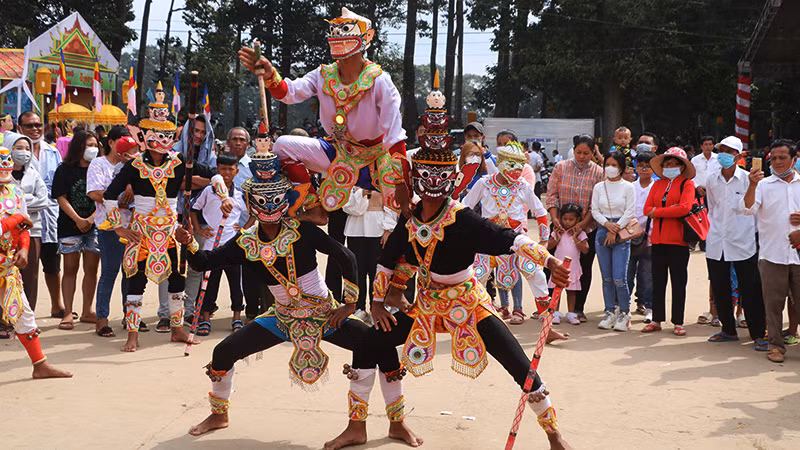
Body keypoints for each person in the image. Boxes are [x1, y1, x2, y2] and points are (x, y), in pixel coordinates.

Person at [370, 83, 571, 450]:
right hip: (427, 303)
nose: (432, 185)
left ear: (452, 180)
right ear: (415, 178)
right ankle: (394, 422)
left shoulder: (462, 219)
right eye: (424, 178)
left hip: (468, 301)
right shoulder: (410, 219)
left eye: (440, 178)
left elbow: (507, 237)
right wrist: (378, 303)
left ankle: (554, 435)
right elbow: (388, 259)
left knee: (518, 363)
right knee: (373, 341)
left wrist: (550, 259)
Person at [179, 153, 419, 449]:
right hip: (281, 317)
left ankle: (396, 422)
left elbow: (346, 256)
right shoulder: (245, 242)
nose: (269, 207)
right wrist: (188, 241)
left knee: (379, 346)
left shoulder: (302, 231)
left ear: (286, 200)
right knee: (224, 351)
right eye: (262, 201)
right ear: (252, 203)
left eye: (275, 199)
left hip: (323, 314)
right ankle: (218, 415)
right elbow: (203, 261)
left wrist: (349, 304)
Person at [238, 8, 412, 224]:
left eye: (346, 29)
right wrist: (271, 75)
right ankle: (314, 207)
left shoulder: (379, 81)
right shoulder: (323, 74)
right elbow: (289, 92)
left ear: (367, 37)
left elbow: (394, 137)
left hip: (375, 159)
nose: (338, 35)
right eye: (334, 29)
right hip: (337, 150)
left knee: (407, 209)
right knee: (282, 145)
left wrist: (402, 184)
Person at [102, 116, 218, 352]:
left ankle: (177, 330)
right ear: (144, 138)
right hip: (141, 232)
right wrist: (119, 227)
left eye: (168, 136)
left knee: (177, 281)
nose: (164, 140)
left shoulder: (179, 161)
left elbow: (213, 173)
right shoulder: (134, 165)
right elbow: (109, 195)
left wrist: (222, 192)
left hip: (170, 232)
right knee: (135, 283)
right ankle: (132, 335)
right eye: (158, 135)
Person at [463, 142, 555, 330]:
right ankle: (470, 324)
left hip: (516, 241)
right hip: (487, 240)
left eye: (520, 167)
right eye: (512, 165)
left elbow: (540, 211)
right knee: (475, 278)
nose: (516, 171)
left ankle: (548, 326)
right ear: (501, 162)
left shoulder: (522, 186)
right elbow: (464, 207)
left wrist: (544, 239)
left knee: (537, 274)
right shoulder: (484, 183)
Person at [0, 146, 72, 379]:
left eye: (6, 161)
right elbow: (20, 220)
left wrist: (23, 247)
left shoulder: (15, 191)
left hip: (7, 268)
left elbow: (25, 227)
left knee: (23, 314)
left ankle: (39, 365)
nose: (5, 166)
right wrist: (20, 218)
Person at [704, 136, 767, 351]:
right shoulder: (712, 179)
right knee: (720, 287)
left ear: (738, 157)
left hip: (743, 240)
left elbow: (751, 209)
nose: (724, 155)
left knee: (751, 289)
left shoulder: (749, 179)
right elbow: (711, 208)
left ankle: (758, 333)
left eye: (729, 152)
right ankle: (728, 329)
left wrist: (753, 183)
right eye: (721, 150)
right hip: (717, 241)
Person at [742, 139, 800, 363]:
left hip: (797, 255)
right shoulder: (763, 185)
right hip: (772, 254)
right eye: (773, 158)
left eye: (782, 157)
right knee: (773, 304)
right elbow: (747, 209)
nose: (777, 162)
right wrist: (752, 185)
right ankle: (775, 345)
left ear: (794, 159)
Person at [87, 126, 139, 337]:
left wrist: (132, 190)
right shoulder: (99, 164)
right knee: (109, 272)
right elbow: (95, 193)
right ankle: (102, 319)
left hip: (133, 226)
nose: (129, 149)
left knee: (131, 273)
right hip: (109, 226)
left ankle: (130, 318)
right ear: (111, 143)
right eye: (123, 143)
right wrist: (120, 199)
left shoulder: (138, 166)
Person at [546, 134, 604, 322]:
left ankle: (578, 308)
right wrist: (555, 219)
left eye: (586, 153)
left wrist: (581, 225)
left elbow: (596, 204)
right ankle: (550, 307)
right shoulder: (561, 167)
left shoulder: (598, 172)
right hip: (559, 226)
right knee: (552, 265)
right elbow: (552, 194)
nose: (581, 156)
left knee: (583, 268)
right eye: (578, 152)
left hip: (587, 227)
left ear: (593, 151)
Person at [191, 153, 248, 335]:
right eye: (223, 169)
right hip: (211, 246)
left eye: (231, 169)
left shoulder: (239, 194)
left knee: (235, 284)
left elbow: (254, 213)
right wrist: (199, 230)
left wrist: (244, 229)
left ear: (237, 171)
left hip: (233, 246)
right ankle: (206, 319)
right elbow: (193, 209)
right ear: (217, 170)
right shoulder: (209, 191)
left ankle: (236, 317)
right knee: (209, 284)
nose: (226, 173)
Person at [642, 147, 696, 336]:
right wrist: (664, 210)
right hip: (657, 239)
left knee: (678, 281)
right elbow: (646, 208)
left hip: (678, 241)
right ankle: (656, 319)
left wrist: (657, 212)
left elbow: (684, 208)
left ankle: (678, 321)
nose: (669, 167)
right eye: (666, 164)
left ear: (681, 166)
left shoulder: (687, 184)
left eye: (673, 164)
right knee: (657, 280)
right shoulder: (657, 185)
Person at [51, 130, 101, 330]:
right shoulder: (64, 170)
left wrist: (91, 218)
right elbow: (60, 197)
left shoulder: (99, 168)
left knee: (91, 269)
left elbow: (105, 196)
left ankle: (88, 310)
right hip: (69, 226)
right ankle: (68, 312)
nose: (93, 149)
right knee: (70, 268)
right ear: (79, 147)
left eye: (95, 144)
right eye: (89, 144)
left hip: (95, 226)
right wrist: (79, 219)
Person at [17, 112, 65, 318]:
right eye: (29, 126)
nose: (35, 129)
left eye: (38, 125)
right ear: (20, 128)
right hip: (24, 224)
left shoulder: (53, 153)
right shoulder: (14, 154)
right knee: (26, 270)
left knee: (53, 264)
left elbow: (58, 186)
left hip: (52, 216)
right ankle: (19, 312)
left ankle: (57, 305)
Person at [2, 132, 47, 315]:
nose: (24, 152)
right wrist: (21, 208)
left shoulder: (33, 174)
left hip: (30, 231)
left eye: (27, 148)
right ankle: (4, 318)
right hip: (3, 236)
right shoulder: (5, 174)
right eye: (19, 148)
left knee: (29, 275)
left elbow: (43, 200)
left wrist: (19, 204)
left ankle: (25, 314)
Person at [592, 151, 636, 331]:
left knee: (619, 277)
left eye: (614, 165)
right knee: (607, 278)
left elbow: (630, 211)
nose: (610, 168)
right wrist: (607, 225)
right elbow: (594, 210)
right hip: (603, 230)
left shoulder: (628, 187)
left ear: (622, 168)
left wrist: (615, 228)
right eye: (607, 164)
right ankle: (610, 311)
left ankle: (624, 313)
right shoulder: (599, 187)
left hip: (622, 231)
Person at [343, 186, 397, 323]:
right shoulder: (352, 179)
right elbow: (348, 207)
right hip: (356, 230)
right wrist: (361, 193)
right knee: (357, 271)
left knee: (377, 272)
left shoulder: (383, 176)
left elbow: (392, 205)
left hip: (378, 229)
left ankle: (377, 309)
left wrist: (389, 229)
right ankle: (358, 308)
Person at [547, 204, 588, 325]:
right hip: (558, 266)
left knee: (571, 291)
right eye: (565, 219)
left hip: (573, 268)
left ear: (578, 220)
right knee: (556, 289)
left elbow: (585, 249)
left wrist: (576, 237)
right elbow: (549, 246)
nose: (567, 222)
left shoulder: (580, 233)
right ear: (560, 218)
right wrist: (557, 237)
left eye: (571, 219)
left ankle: (571, 314)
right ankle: (555, 312)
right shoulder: (557, 232)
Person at [628, 152, 656, 323]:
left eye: (648, 165)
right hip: (630, 236)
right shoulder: (630, 186)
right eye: (641, 165)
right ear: (636, 167)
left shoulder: (657, 188)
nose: (644, 169)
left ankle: (649, 307)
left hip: (651, 238)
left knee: (648, 275)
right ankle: (624, 306)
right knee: (627, 274)